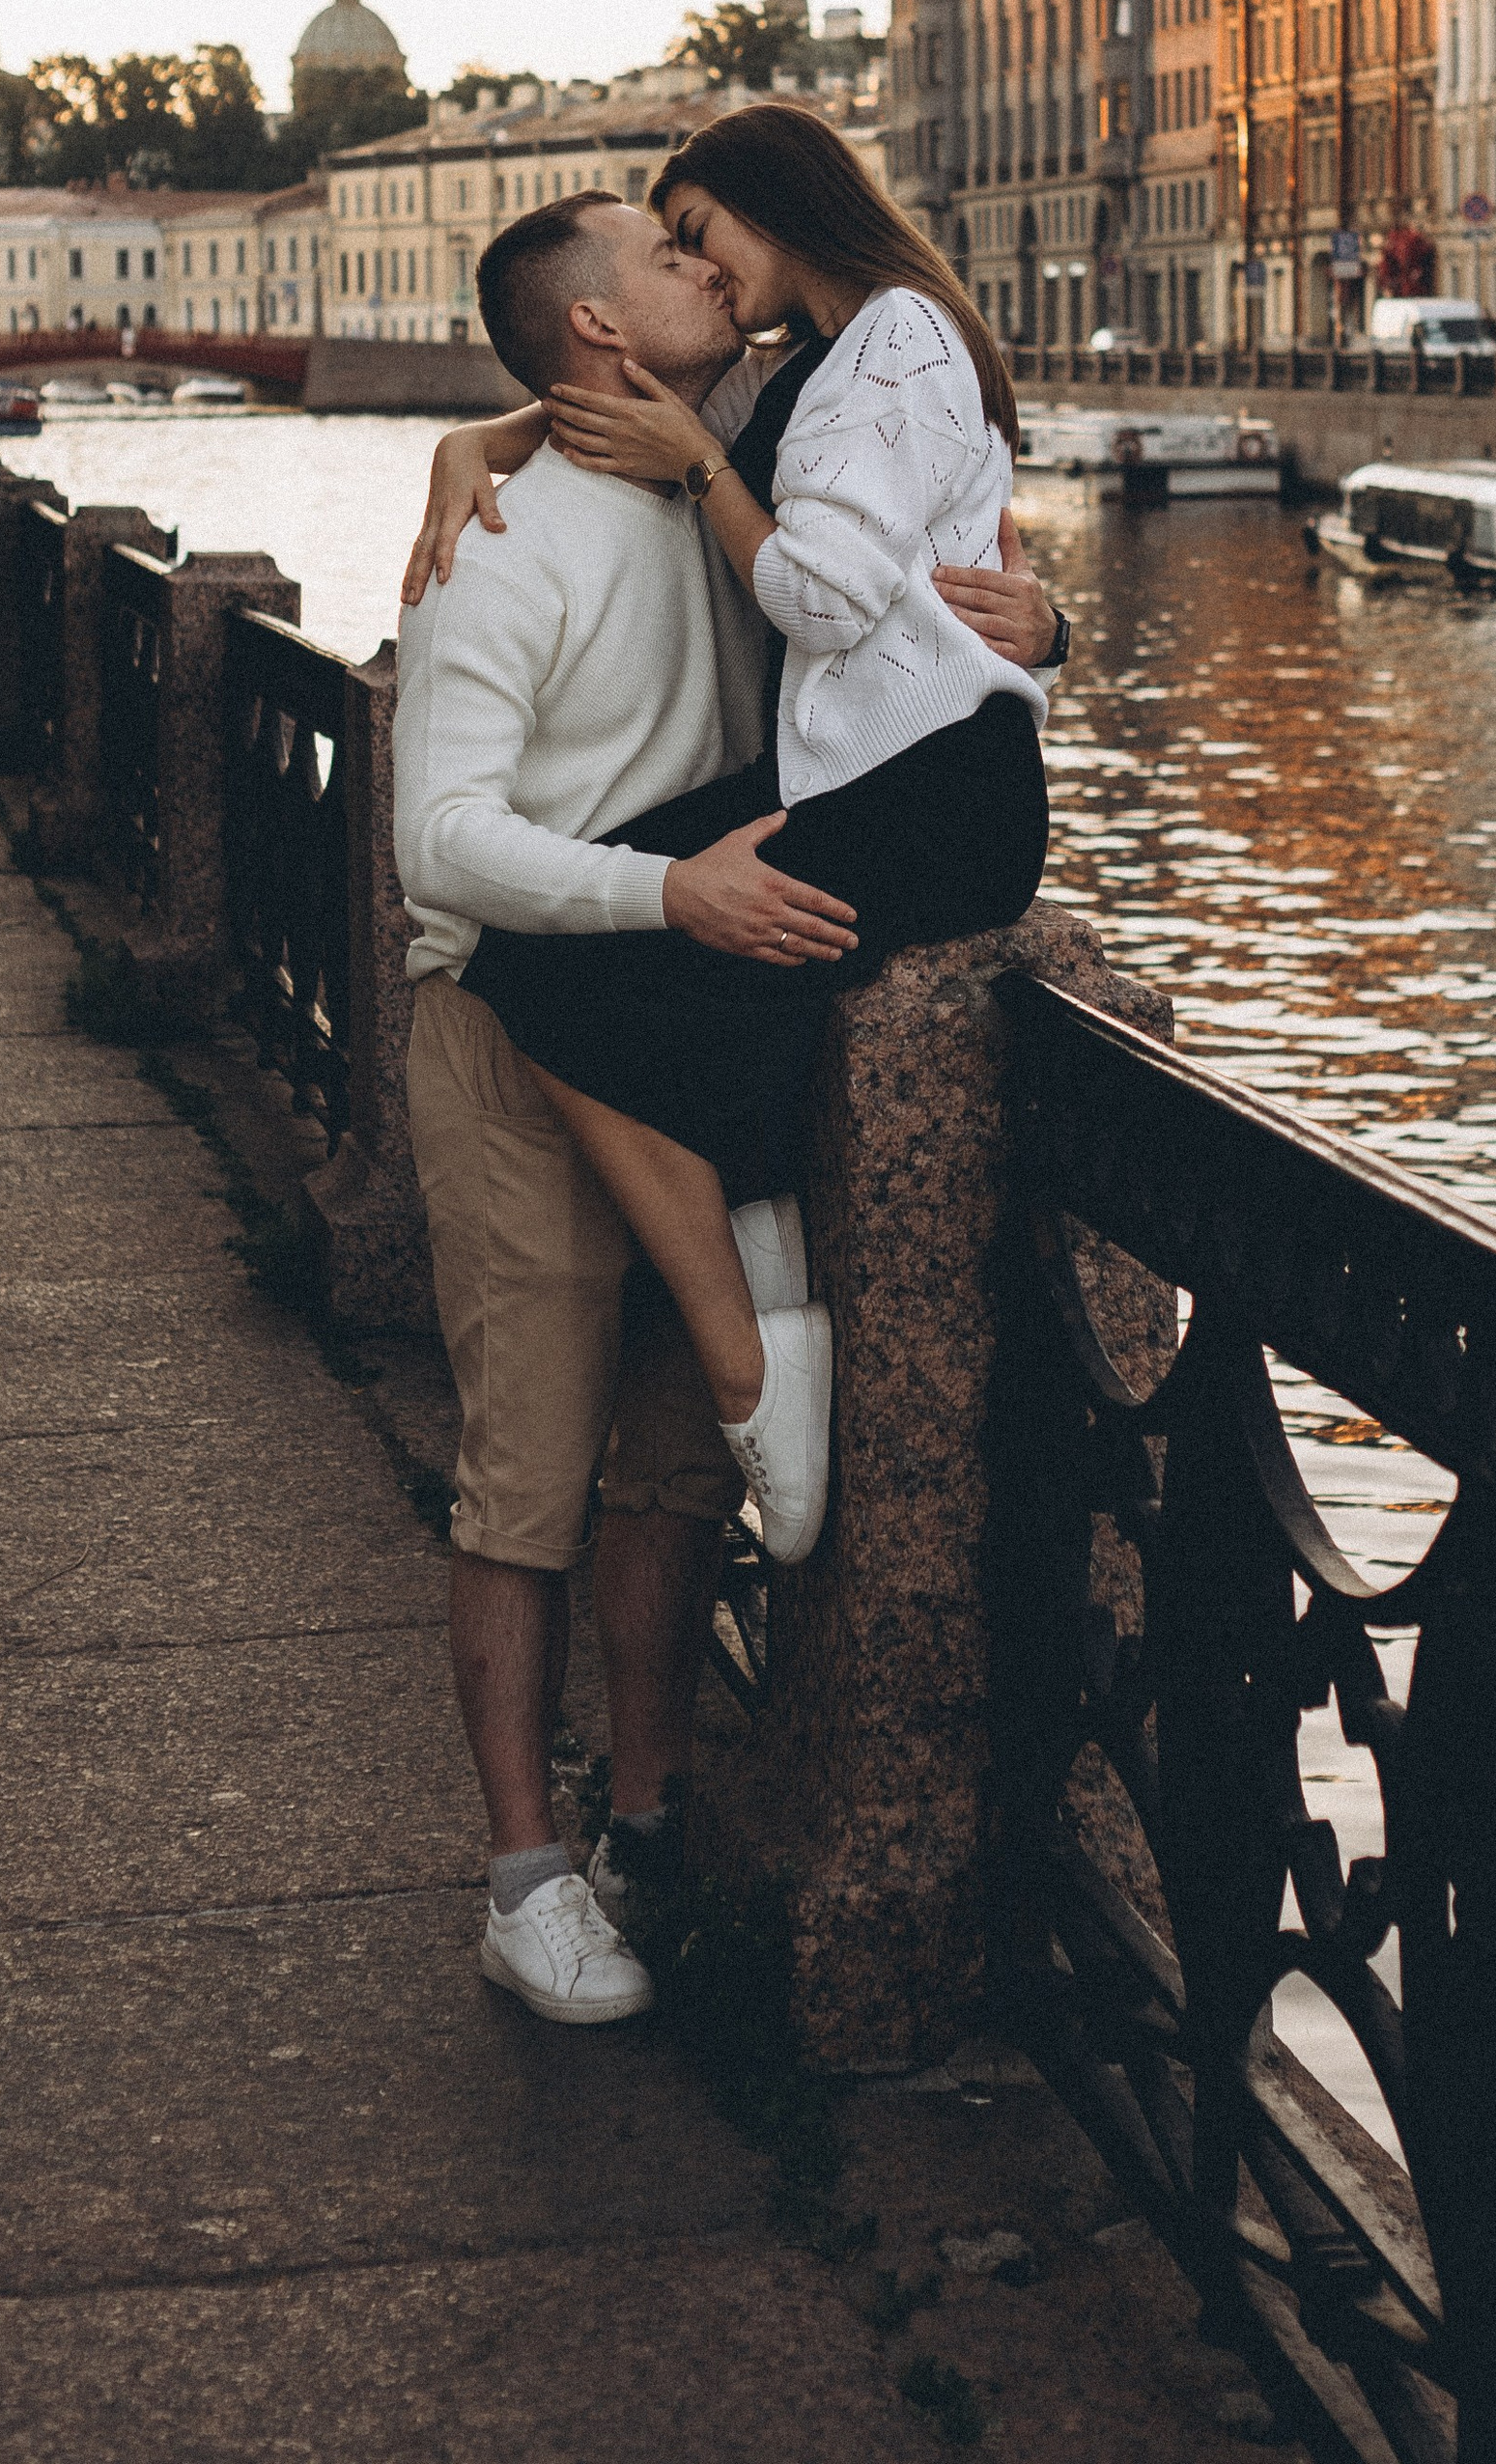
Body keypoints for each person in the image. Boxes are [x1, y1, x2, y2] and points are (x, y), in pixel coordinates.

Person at [393, 185, 1058, 2024]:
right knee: (529, 1474)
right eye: (670, 253)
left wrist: (1040, 612)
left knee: (679, 1477)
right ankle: (525, 1874)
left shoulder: (735, 454)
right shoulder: (504, 537)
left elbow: (892, 504)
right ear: (605, 330)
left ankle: (656, 1824)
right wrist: (663, 893)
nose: (713, 268)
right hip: (529, 1026)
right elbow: (435, 842)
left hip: (691, 999)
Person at [439, 106, 1055, 1577]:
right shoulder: (821, 362)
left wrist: (704, 477)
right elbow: (624, 396)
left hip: (933, 794)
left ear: (777, 208)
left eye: (701, 234)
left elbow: (829, 603)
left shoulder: (898, 338)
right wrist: (480, 433)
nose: (704, 275)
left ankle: (750, 1367)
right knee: (592, 958)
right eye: (676, 253)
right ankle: (774, 1309)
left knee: (550, 977)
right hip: (882, 773)